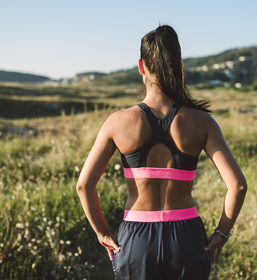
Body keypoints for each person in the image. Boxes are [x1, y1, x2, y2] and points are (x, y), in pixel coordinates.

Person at [76, 25, 247, 280]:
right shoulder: (202, 122)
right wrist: (221, 234)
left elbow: (84, 186)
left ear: (141, 67)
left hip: (136, 238)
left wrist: (102, 234)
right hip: (187, 237)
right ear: (179, 65)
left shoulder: (117, 122)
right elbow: (238, 186)